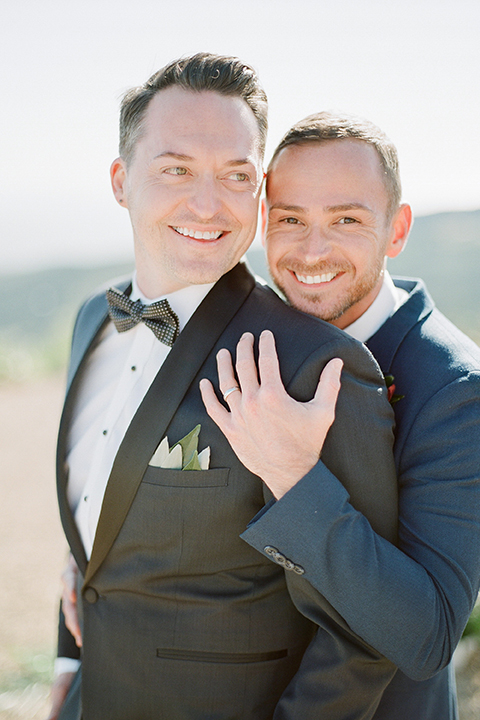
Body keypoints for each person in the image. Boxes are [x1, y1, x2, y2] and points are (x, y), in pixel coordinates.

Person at [49, 57, 400, 720]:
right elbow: (94, 519)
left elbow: (362, 629)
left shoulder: (315, 365)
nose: (208, 205)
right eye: (176, 170)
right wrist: (70, 661)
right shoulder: (91, 322)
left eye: (236, 176)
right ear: (122, 182)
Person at [202, 112, 480, 719]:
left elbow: (428, 636)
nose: (312, 251)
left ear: (396, 229)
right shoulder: (254, 335)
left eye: (346, 220)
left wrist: (295, 478)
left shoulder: (457, 390)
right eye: (291, 219)